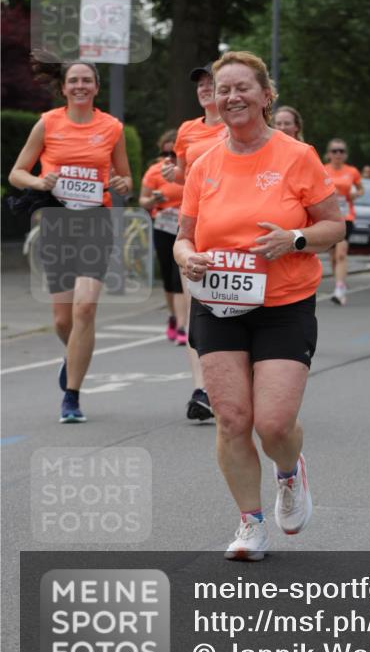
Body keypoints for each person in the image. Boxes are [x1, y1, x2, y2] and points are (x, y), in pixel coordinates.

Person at [174, 50, 344, 560]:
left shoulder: (298, 155)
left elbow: (333, 227)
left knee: (272, 423)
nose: (232, 97)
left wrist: (293, 239)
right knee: (231, 418)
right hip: (218, 302)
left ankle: (289, 474)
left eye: (243, 87)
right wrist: (188, 259)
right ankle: (250, 523)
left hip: (284, 303)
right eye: (223, 89)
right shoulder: (204, 164)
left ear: (267, 96)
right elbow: (182, 238)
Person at [9, 61, 132, 423]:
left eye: (87, 81)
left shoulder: (112, 127)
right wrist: (39, 182)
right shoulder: (48, 122)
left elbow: (124, 177)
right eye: (73, 81)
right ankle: (74, 355)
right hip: (57, 223)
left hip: (95, 223)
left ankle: (72, 397)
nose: (80, 86)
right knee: (63, 320)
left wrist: (124, 184)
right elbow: (17, 173)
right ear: (64, 88)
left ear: (96, 87)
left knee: (84, 310)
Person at [162, 62, 228, 421]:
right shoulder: (187, 131)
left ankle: (237, 378)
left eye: (211, 82)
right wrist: (175, 176)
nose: (204, 88)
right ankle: (201, 389)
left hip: (235, 229)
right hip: (196, 229)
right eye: (200, 83)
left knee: (235, 307)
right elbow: (187, 182)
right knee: (195, 310)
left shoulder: (238, 127)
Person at [139, 130, 186, 343]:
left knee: (180, 275)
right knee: (168, 276)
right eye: (164, 153)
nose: (169, 158)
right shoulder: (155, 172)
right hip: (163, 226)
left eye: (173, 154)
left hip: (185, 226)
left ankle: (184, 325)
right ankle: (174, 316)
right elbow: (143, 201)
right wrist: (153, 200)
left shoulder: (188, 171)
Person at [323, 138, 363, 305]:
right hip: (327, 217)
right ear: (328, 154)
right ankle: (339, 284)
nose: (338, 154)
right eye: (334, 151)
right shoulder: (322, 169)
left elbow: (360, 189)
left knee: (341, 253)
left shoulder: (352, 171)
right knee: (333, 257)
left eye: (341, 151)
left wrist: (356, 194)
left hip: (346, 217)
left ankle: (340, 288)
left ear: (345, 154)